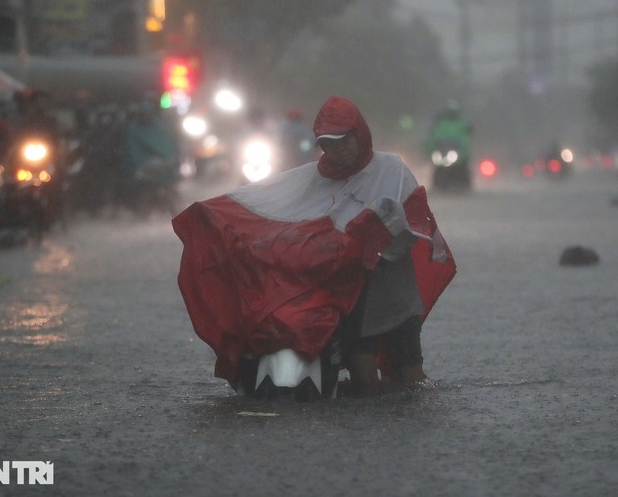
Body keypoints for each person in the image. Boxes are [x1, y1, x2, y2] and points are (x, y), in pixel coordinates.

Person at [172, 96, 456, 396]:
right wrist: (213, 216)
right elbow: (270, 204)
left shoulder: (391, 169)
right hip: (350, 293)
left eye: (344, 140)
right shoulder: (312, 179)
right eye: (329, 143)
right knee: (364, 382)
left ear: (359, 134)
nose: (338, 150)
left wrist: (384, 232)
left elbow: (417, 223)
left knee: (411, 374)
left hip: (393, 290)